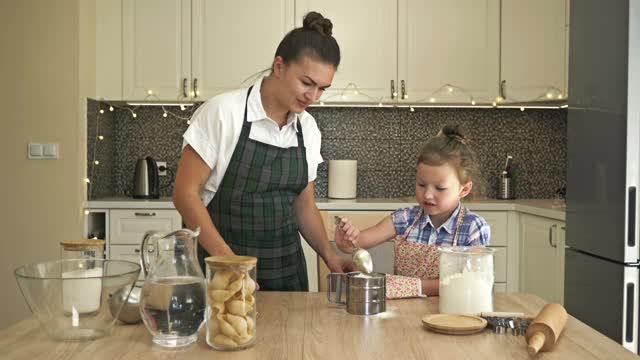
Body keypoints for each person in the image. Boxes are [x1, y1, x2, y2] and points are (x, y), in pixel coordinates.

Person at [172, 11, 353, 291]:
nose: (313, 97)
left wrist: (330, 256)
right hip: (223, 275)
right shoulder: (223, 113)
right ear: (279, 66)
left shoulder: (308, 128)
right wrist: (231, 264)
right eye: (306, 83)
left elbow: (303, 205)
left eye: (322, 88)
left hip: (288, 277)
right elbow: (185, 194)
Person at [335, 125, 490, 296]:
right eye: (421, 185)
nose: (428, 195)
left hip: (452, 314)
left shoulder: (473, 228)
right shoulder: (405, 219)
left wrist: (414, 287)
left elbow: (472, 280)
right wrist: (346, 241)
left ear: (464, 189)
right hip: (405, 312)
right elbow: (357, 244)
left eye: (440, 188)